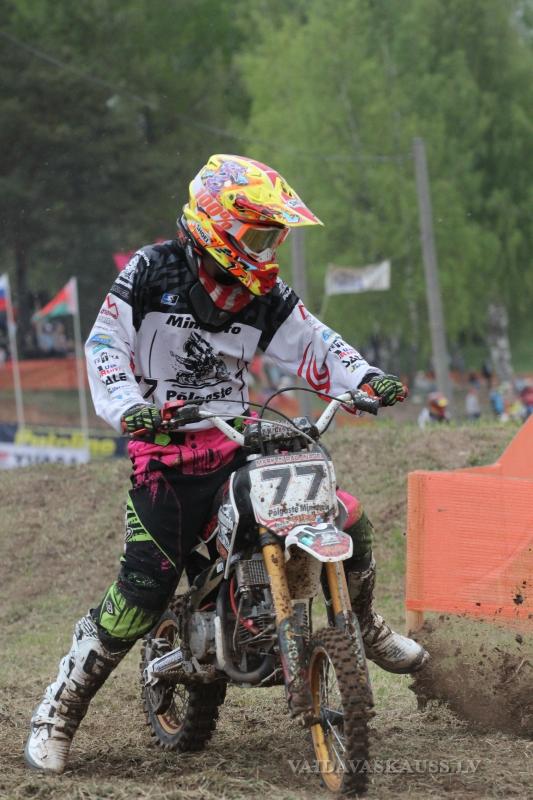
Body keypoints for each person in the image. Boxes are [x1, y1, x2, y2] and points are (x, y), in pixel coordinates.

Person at [25, 154, 428, 774]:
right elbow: (106, 344)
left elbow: (314, 341)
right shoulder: (150, 270)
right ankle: (59, 708)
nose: (267, 252)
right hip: (166, 455)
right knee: (143, 590)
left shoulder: (263, 293)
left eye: (273, 239)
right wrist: (130, 406)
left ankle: (365, 625)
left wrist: (365, 377)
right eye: (260, 237)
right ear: (219, 227)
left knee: (344, 515)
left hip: (237, 440)